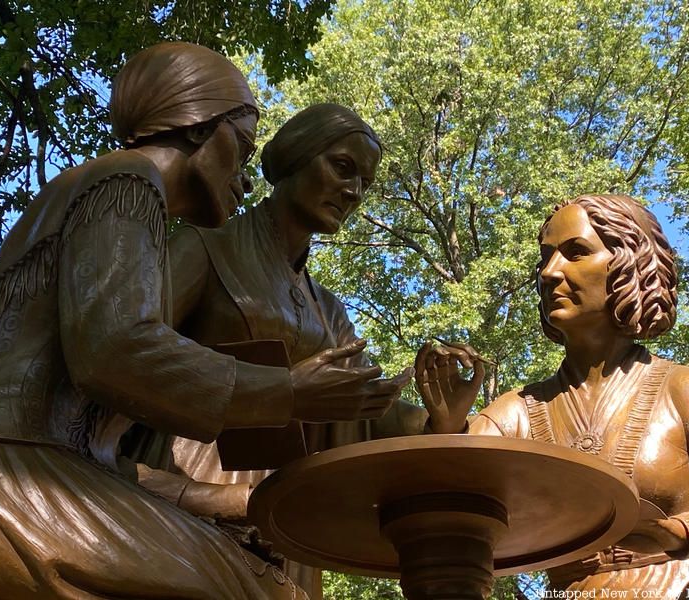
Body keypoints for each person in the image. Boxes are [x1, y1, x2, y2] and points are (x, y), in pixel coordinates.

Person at [0, 43, 392, 599]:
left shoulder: (128, 195)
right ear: (200, 130)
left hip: (67, 464)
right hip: (15, 463)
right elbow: (118, 351)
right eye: (242, 150)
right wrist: (286, 392)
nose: (245, 181)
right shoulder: (128, 182)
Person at [161, 103, 482, 596]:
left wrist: (441, 417)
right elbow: (138, 358)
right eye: (342, 166)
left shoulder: (328, 311)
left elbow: (369, 415)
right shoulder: (203, 250)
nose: (353, 192)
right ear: (294, 156)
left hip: (287, 518)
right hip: (193, 497)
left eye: (364, 183)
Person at [416, 193, 689, 595]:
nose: (549, 273)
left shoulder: (687, 389)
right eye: (545, 258)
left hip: (684, 587)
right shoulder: (517, 412)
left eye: (576, 252)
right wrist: (447, 425)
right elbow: (453, 504)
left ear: (630, 265)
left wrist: (678, 533)